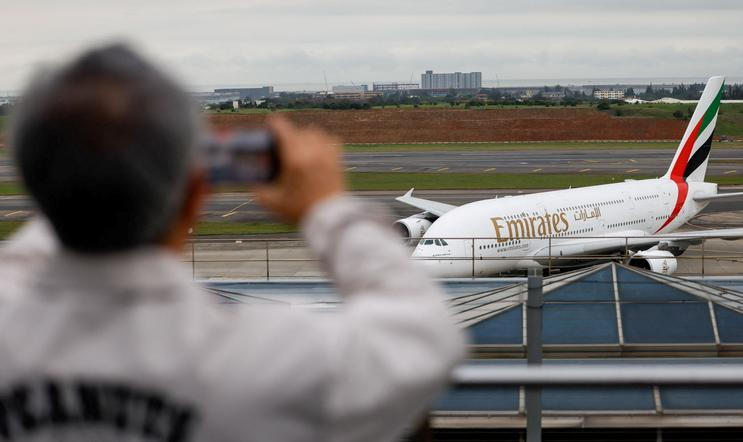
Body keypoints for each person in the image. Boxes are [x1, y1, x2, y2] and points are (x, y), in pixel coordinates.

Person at [0, 44, 465, 441]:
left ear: (33, 180)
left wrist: (76, 183)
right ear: (199, 191)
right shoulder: (262, 356)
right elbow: (424, 337)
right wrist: (327, 207)